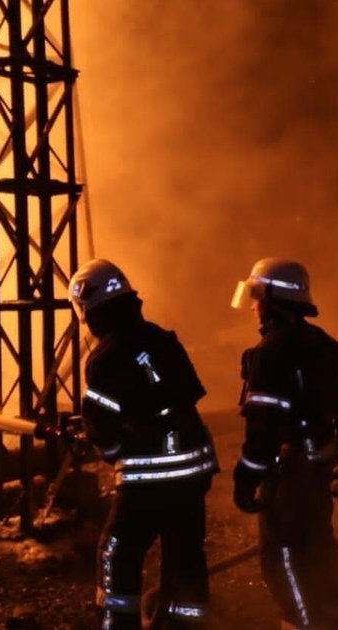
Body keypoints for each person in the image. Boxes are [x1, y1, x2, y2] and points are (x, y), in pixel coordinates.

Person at [70, 259, 218, 629]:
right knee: (185, 557)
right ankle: (184, 625)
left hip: (149, 481)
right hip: (194, 471)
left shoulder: (104, 357)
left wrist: (113, 447)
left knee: (117, 553)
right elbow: (180, 395)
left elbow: (101, 426)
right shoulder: (162, 338)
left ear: (91, 310)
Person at [231, 258, 338, 628]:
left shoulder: (270, 353)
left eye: (257, 298)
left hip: (288, 482)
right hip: (319, 477)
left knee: (284, 563)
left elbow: (262, 430)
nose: (253, 307)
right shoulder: (325, 345)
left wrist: (245, 480)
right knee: (322, 555)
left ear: (270, 300)